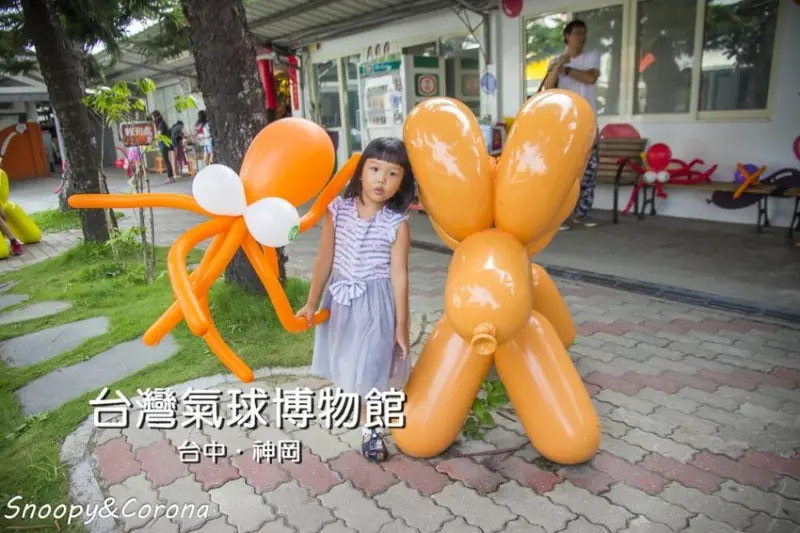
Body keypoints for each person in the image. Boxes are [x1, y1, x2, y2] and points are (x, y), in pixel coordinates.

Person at [295, 137, 415, 437]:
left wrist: (402, 326)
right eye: (375, 169)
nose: (381, 180)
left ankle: (371, 430)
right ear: (360, 172)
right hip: (340, 301)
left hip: (377, 305)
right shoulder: (336, 210)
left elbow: (400, 275)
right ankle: (360, 413)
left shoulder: (397, 225)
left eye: (392, 174)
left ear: (401, 183)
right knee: (348, 362)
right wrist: (311, 303)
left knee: (371, 367)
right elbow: (324, 258)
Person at [543, 19, 601, 229]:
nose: (581, 37)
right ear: (567, 36)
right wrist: (557, 67)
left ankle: (583, 213)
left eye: (583, 33)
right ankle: (561, 215)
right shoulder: (557, 60)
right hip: (565, 124)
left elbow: (591, 78)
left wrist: (566, 70)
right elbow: (548, 89)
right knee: (563, 171)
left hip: (589, 122)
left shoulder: (591, 56)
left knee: (589, 170)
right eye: (577, 33)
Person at [150, 110, 175, 184]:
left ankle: (170, 178)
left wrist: (153, 138)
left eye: (153, 118)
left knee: (167, 161)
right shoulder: (160, 123)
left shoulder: (161, 124)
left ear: (156, 117)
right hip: (163, 144)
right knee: (167, 161)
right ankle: (171, 177)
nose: (152, 119)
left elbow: (158, 135)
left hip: (164, 144)